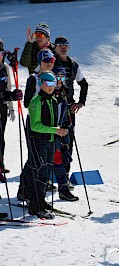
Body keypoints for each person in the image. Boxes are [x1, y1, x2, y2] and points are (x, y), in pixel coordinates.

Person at [24, 72, 68, 219]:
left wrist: (61, 128)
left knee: (47, 172)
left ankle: (40, 201)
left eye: (53, 83)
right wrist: (54, 130)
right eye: (47, 84)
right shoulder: (37, 101)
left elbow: (53, 122)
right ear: (41, 83)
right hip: (39, 142)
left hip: (50, 141)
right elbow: (35, 126)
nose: (50, 87)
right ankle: (35, 206)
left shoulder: (53, 100)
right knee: (41, 172)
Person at [17, 49, 56, 202]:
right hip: (35, 121)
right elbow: (27, 102)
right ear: (40, 62)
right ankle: (26, 191)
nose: (49, 64)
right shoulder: (34, 78)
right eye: (46, 61)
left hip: (48, 123)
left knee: (39, 160)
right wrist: (40, 97)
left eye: (51, 61)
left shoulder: (51, 78)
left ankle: (32, 191)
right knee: (34, 160)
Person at [53, 36, 88, 186]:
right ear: (55, 47)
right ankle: (49, 176)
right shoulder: (50, 61)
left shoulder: (74, 65)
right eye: (60, 45)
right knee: (53, 142)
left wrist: (81, 102)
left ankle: (64, 176)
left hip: (68, 109)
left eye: (65, 45)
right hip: (53, 107)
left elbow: (84, 84)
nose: (63, 47)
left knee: (68, 143)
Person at [52, 66, 79, 202]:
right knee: (40, 162)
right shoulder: (48, 92)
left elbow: (64, 114)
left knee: (61, 158)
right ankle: (26, 188)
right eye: (57, 77)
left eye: (62, 78)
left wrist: (66, 124)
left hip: (61, 132)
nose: (59, 80)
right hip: (48, 132)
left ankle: (63, 189)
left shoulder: (63, 94)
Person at [0, 39, 23, 177]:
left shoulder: (4, 68)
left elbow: (6, 89)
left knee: (1, 137)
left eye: (1, 53)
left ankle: (0, 164)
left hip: (2, 107)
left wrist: (13, 97)